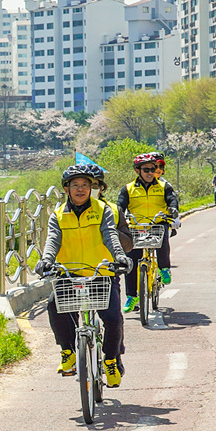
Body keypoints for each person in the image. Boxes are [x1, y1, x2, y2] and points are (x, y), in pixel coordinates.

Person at [35, 163, 131, 386]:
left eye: (85, 185)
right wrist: (46, 261)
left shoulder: (103, 210)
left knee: (113, 319)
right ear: (66, 189)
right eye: (75, 185)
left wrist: (119, 256)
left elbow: (110, 235)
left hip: (101, 274)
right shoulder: (58, 215)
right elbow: (52, 240)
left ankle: (110, 360)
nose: (80, 189)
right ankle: (67, 351)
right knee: (54, 306)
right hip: (69, 274)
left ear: (92, 187)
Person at [117, 152, 179, 312]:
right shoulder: (128, 189)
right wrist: (117, 215)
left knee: (163, 240)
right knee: (131, 259)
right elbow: (120, 205)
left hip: (157, 223)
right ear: (137, 171)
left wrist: (173, 209)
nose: (150, 172)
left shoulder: (164, 187)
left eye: (153, 169)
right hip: (137, 226)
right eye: (146, 170)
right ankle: (132, 296)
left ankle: (164, 268)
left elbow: (172, 199)